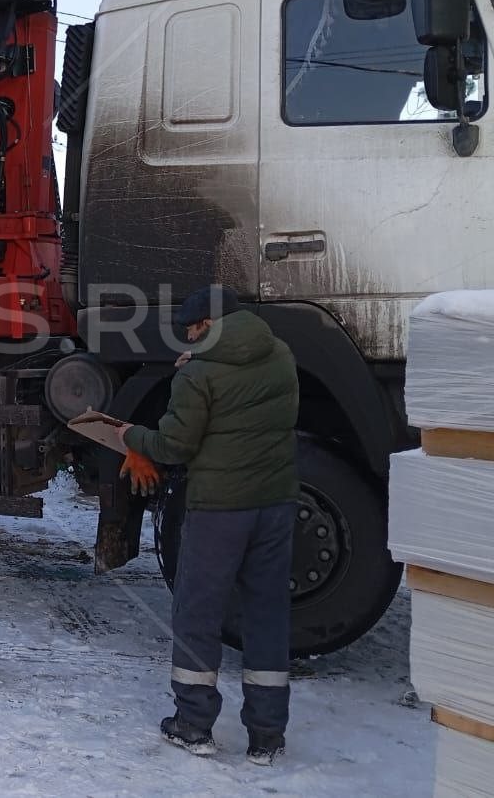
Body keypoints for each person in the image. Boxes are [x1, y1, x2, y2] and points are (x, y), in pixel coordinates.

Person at [116, 285, 299, 766]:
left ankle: (193, 725)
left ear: (206, 325)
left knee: (198, 612)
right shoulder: (280, 355)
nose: (188, 339)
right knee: (266, 613)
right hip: (276, 503)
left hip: (220, 509)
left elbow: (174, 445)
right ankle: (267, 735)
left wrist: (128, 434)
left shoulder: (198, 373)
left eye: (191, 330)